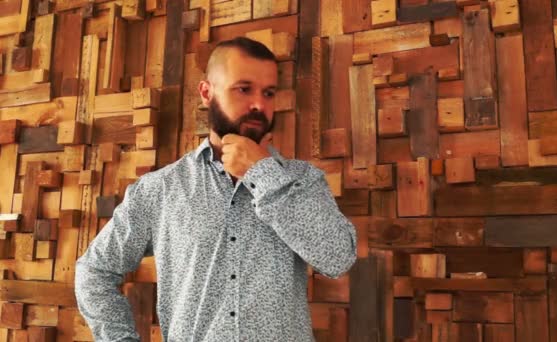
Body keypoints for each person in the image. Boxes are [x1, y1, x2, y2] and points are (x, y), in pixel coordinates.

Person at [75, 37, 357, 342]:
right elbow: (95, 272)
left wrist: (262, 173)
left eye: (269, 93)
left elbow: (338, 258)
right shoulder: (161, 190)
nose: (259, 105)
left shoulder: (303, 181)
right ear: (207, 93)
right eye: (243, 89)